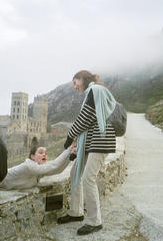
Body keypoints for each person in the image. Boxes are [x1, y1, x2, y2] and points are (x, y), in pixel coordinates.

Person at [57, 70, 116, 235]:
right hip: (93, 140)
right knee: (75, 172)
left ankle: (95, 221)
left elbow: (85, 118)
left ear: (81, 78)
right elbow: (90, 119)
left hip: (100, 141)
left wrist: (70, 137)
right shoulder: (96, 90)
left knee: (88, 178)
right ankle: (76, 212)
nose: (75, 87)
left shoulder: (94, 91)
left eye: (74, 83)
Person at [0, 143, 76, 190]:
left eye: (46, 153)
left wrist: (70, 156)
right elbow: (54, 165)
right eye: (40, 152)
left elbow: (58, 170)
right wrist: (69, 149)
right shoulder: (29, 166)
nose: (44, 154)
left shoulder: (38, 168)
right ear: (32, 156)